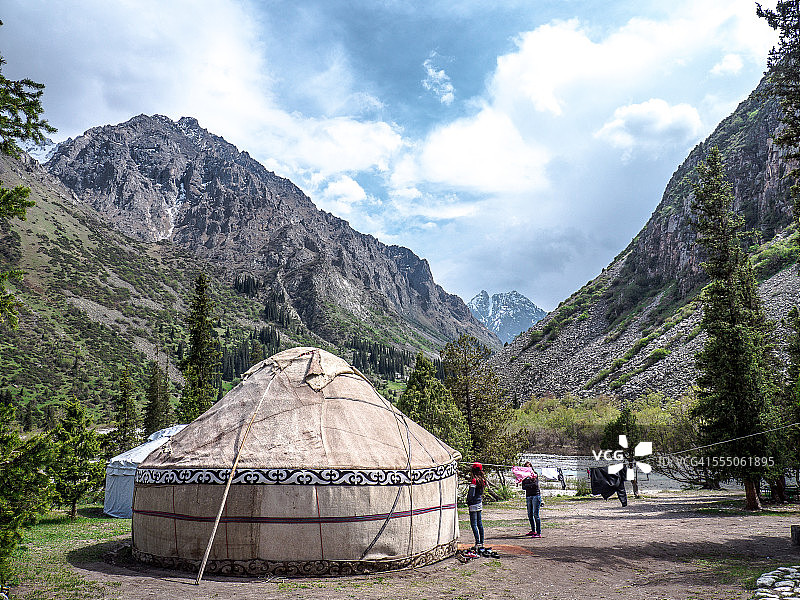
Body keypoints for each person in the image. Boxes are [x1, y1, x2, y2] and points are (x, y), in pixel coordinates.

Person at [466, 462, 486, 553]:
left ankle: (477, 542)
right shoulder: (482, 480)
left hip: (473, 504)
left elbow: (471, 494)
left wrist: (468, 501)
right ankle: (481, 542)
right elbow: (480, 493)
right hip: (479, 502)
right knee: (479, 524)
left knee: (474, 524)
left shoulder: (474, 481)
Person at [521, 461, 542, 538]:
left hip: (536, 495)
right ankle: (533, 530)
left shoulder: (534, 474)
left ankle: (538, 532)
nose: (527, 468)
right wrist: (529, 485)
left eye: (528, 467)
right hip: (528, 496)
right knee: (530, 514)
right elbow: (523, 487)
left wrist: (528, 485)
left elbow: (535, 485)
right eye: (526, 467)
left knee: (535, 514)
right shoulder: (524, 476)